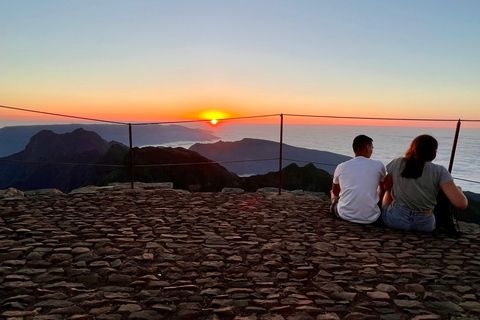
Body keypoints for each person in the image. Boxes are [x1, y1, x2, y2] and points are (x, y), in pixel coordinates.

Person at [382, 134, 468, 232]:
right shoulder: (439, 171)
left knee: (388, 191)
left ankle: (383, 213)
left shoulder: (398, 163)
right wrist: (458, 190)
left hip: (395, 221)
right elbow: (462, 204)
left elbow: (386, 186)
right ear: (433, 152)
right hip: (425, 225)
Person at [330, 135, 386, 224]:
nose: (372, 150)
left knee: (332, 192)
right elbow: (383, 189)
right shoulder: (379, 165)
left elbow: (336, 192)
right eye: (372, 147)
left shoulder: (341, 166)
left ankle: (342, 206)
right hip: (372, 217)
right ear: (367, 148)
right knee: (380, 190)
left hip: (344, 215)